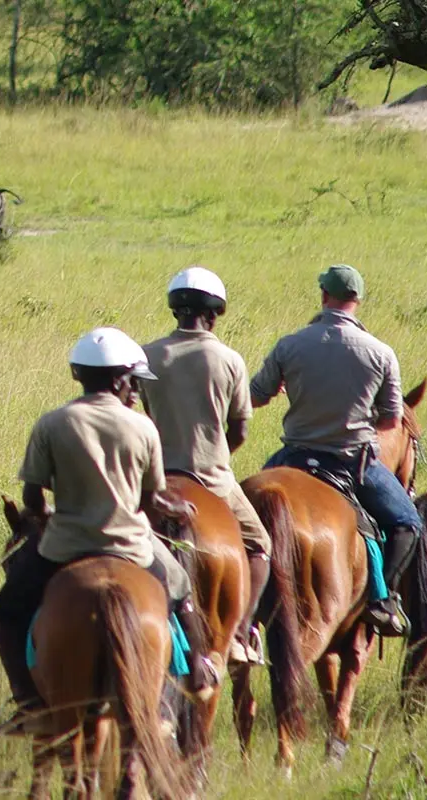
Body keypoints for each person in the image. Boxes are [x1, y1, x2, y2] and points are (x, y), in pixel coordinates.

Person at [0, 326, 219, 735]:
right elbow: (150, 501)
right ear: (119, 378)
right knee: (180, 593)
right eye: (130, 381)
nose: (132, 388)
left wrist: (48, 515)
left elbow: (34, 498)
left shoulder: (52, 423)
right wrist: (170, 508)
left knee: (4, 616)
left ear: (79, 375)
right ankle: (194, 672)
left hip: (63, 546)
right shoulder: (143, 427)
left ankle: (28, 705)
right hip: (133, 545)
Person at [248, 264, 421, 637]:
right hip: (352, 463)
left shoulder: (289, 344)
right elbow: (392, 422)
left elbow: (255, 397)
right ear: (357, 301)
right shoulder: (380, 352)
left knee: (246, 509)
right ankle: (382, 600)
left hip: (293, 457)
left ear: (324, 296)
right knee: (408, 521)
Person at [142, 267, 272, 666]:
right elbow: (241, 429)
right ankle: (241, 631)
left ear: (174, 310)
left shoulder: (147, 356)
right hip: (213, 478)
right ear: (215, 313)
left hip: (157, 480)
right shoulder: (229, 359)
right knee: (259, 544)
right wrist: (219, 454)